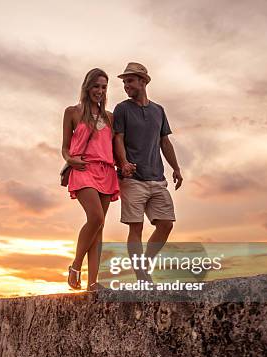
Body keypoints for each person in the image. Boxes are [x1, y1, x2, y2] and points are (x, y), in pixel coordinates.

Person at [113, 62, 183, 281]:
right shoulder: (122, 109)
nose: (126, 85)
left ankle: (145, 265)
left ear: (143, 82)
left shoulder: (158, 110)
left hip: (157, 178)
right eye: (124, 82)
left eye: (130, 81)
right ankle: (142, 276)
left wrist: (176, 168)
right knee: (136, 228)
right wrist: (123, 163)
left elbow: (165, 142)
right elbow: (118, 139)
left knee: (166, 225)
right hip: (132, 178)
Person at [62, 68, 120, 292]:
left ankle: (93, 283)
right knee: (95, 217)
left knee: (100, 227)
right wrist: (70, 160)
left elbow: (115, 147)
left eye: (104, 87)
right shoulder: (72, 112)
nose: (100, 91)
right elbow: (65, 148)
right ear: (87, 87)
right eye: (96, 86)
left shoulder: (110, 117)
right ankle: (76, 266)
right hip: (84, 168)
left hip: (106, 171)